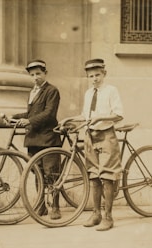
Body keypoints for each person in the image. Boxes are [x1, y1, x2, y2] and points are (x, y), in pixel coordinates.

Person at [60, 58, 123, 231]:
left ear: (104, 74)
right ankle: (96, 214)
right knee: (94, 175)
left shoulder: (111, 91)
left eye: (97, 75)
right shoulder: (89, 93)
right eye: (91, 76)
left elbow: (118, 115)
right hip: (90, 136)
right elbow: (85, 116)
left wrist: (101, 118)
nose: (94, 79)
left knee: (107, 176)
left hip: (106, 135)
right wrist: (69, 119)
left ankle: (108, 217)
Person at [11, 59, 62, 219]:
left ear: (45, 73)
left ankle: (55, 207)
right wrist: (14, 117)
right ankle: (41, 205)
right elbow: (30, 114)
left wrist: (30, 121)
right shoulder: (32, 92)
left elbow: (49, 114)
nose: (35, 77)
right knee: (37, 173)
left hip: (48, 138)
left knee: (51, 173)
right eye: (32, 75)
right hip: (33, 139)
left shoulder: (52, 90)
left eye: (38, 74)